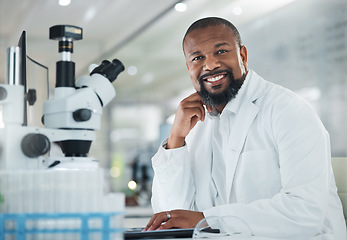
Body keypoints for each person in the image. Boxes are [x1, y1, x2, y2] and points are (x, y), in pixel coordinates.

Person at [144, 17, 346, 239]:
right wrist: (176, 140)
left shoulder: (287, 110)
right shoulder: (195, 127)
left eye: (220, 52)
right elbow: (174, 217)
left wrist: (209, 219)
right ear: (188, 67)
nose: (210, 65)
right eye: (197, 57)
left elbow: (304, 212)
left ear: (242, 56)